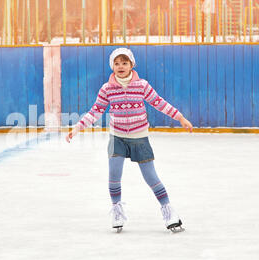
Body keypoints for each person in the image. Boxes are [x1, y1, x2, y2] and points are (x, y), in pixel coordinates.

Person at [65, 48, 193, 233]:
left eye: (125, 63)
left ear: (132, 65)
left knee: (151, 177)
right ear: (112, 67)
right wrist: (77, 127)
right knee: (114, 176)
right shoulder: (107, 88)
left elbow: (159, 102)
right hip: (117, 137)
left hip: (139, 137)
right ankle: (117, 211)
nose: (120, 67)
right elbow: (96, 111)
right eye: (116, 63)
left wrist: (180, 117)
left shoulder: (142, 85)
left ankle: (168, 211)